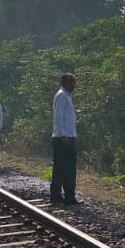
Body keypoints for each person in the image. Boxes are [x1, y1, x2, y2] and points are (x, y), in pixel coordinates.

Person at [51, 73, 78, 205]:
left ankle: (68, 196)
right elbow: (58, 117)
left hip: (69, 136)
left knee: (68, 169)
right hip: (63, 138)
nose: (73, 85)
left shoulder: (67, 96)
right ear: (65, 83)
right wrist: (63, 135)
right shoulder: (61, 96)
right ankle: (58, 195)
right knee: (63, 168)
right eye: (71, 82)